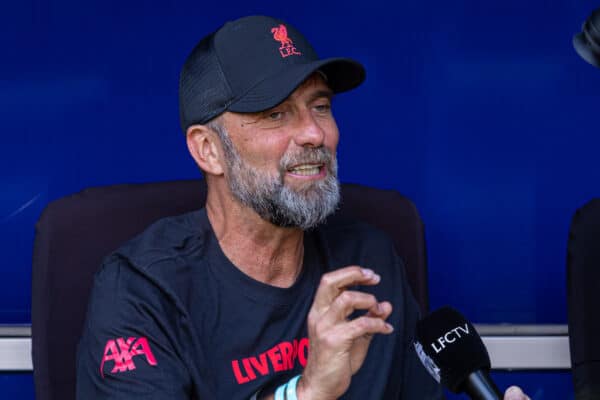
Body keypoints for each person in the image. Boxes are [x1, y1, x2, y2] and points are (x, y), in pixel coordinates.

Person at [76, 15, 530, 400]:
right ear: (208, 150)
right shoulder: (142, 289)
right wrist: (306, 392)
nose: (315, 134)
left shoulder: (369, 259)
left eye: (321, 106)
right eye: (276, 114)